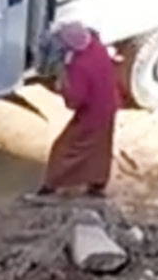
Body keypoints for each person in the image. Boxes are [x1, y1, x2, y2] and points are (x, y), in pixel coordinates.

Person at [36, 22, 121, 198]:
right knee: (101, 146)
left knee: (66, 148)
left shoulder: (78, 67)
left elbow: (74, 101)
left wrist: (62, 85)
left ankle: (51, 186)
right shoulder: (96, 47)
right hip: (109, 104)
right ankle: (98, 183)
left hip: (91, 114)